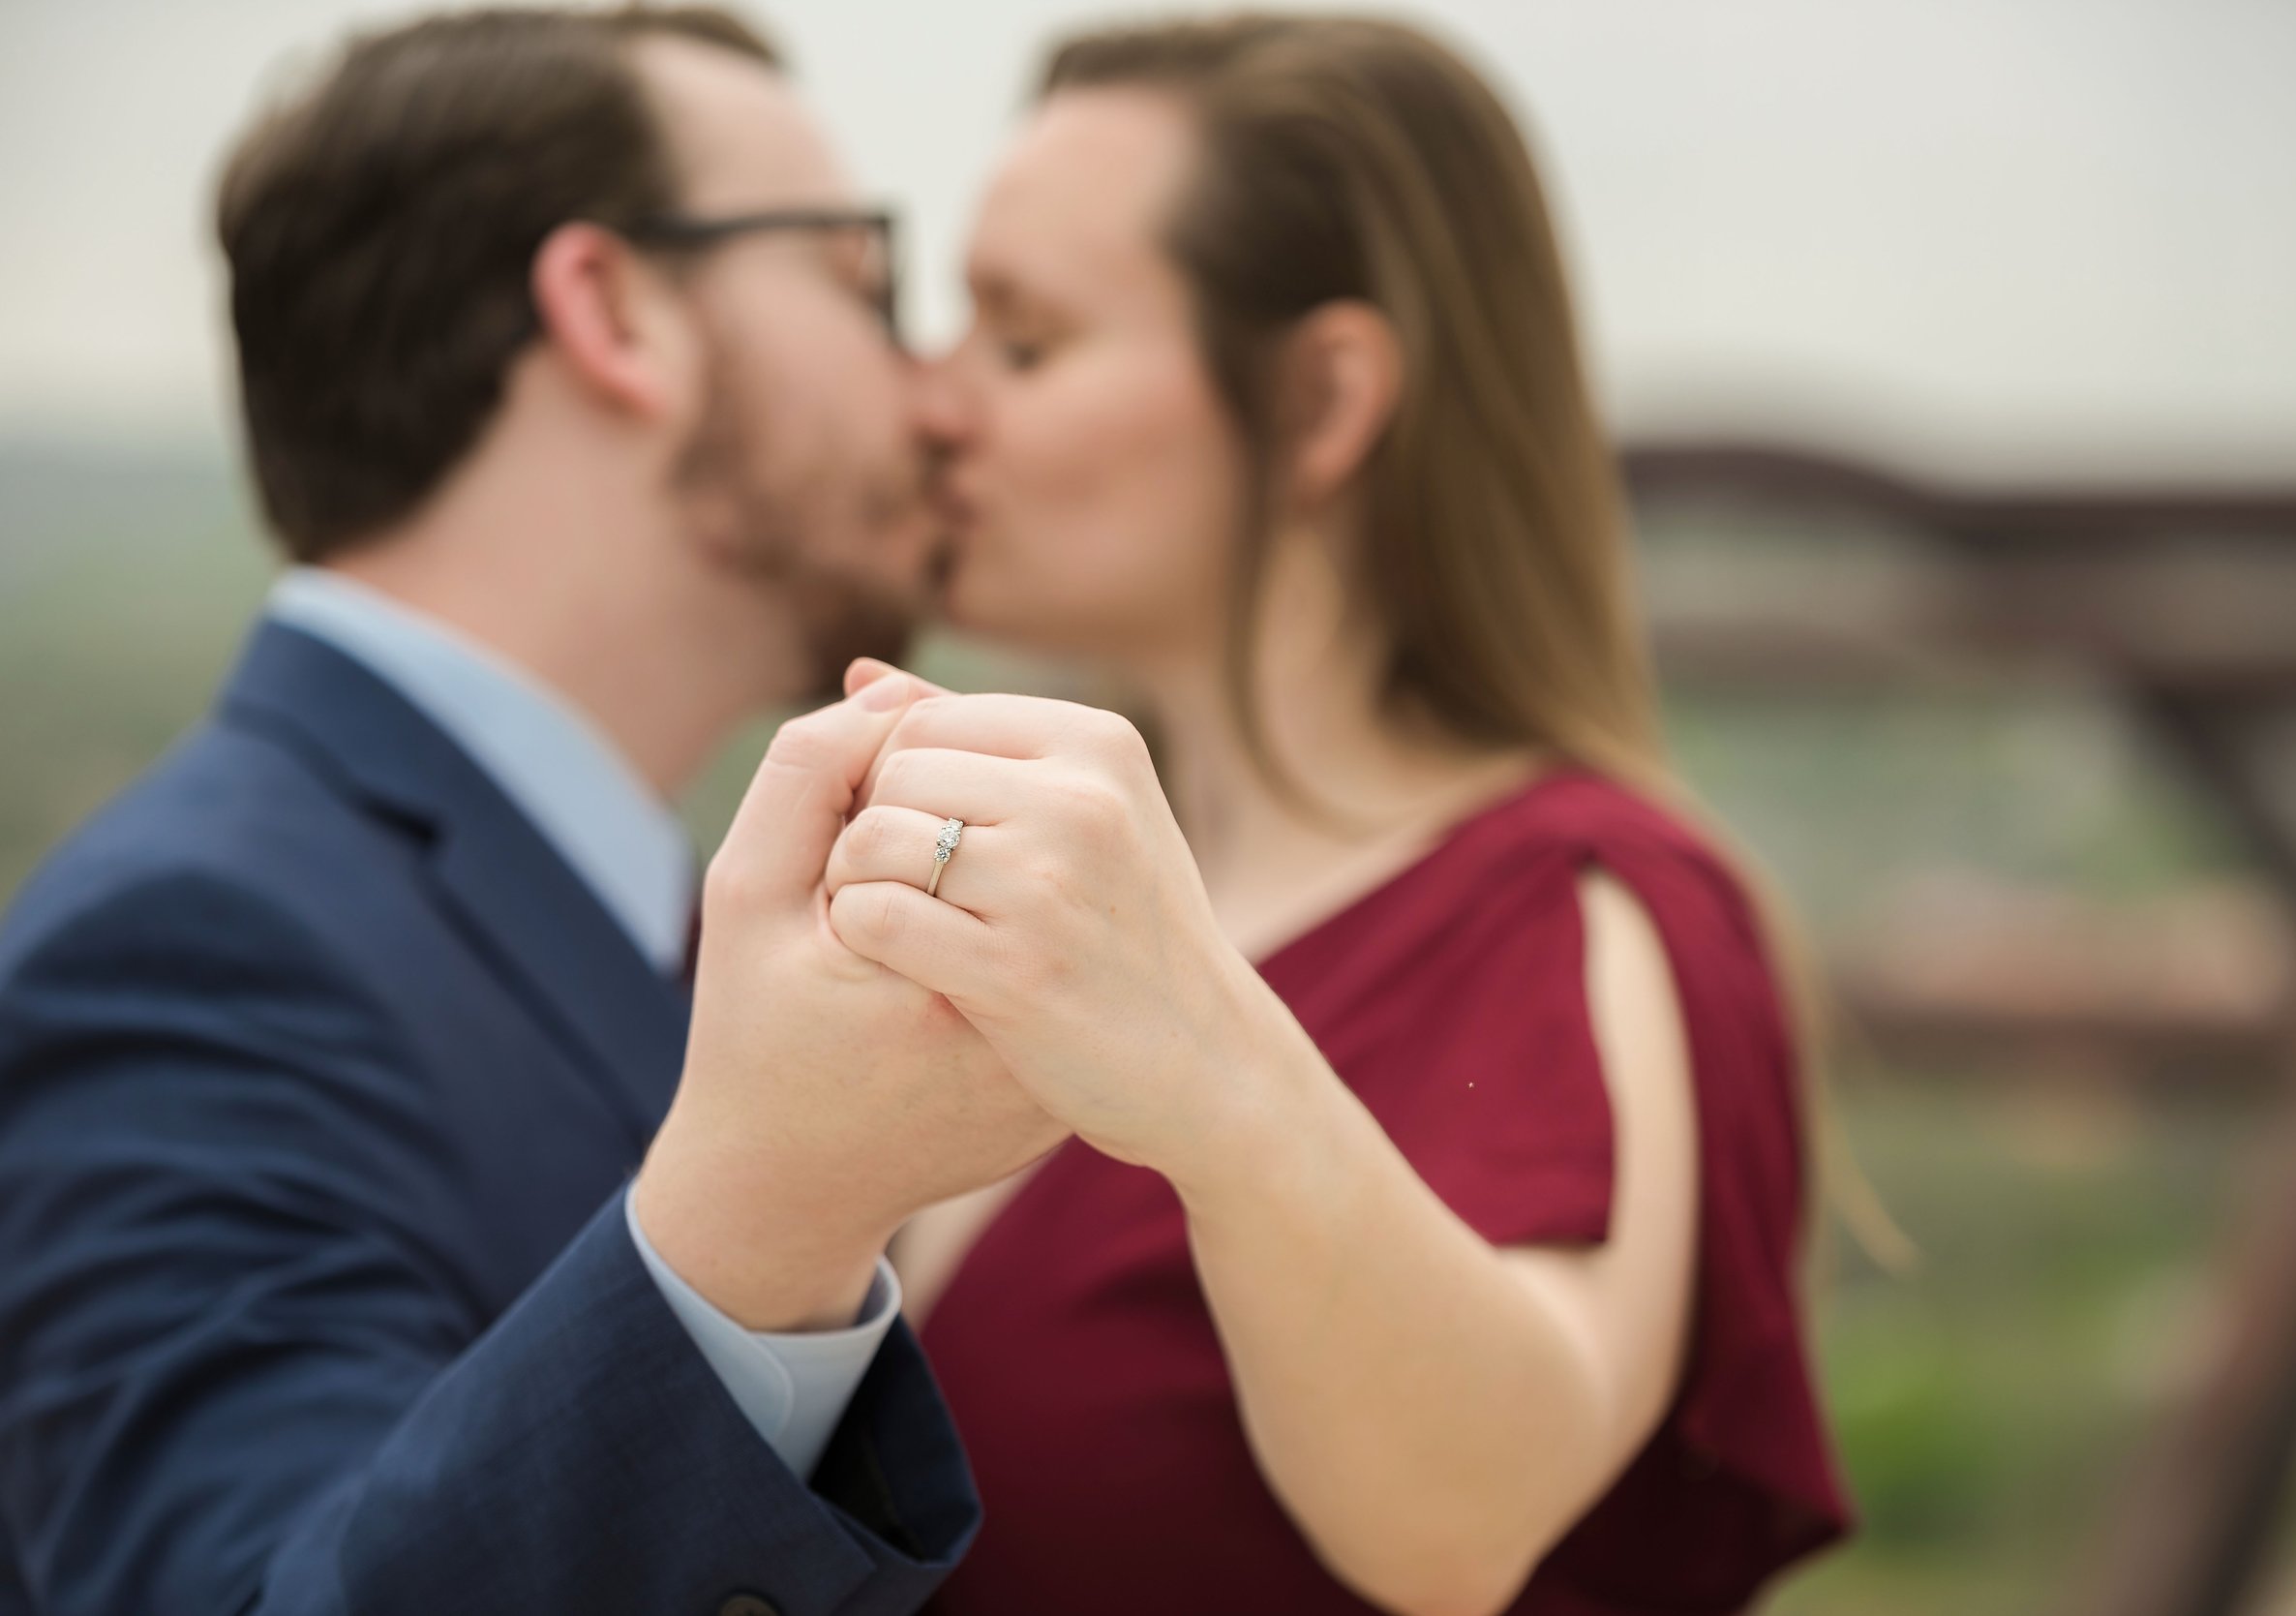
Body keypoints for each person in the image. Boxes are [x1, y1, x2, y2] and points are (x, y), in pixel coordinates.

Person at [0, 9, 1063, 1612]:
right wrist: (771, 1211)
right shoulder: (177, 947)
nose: (936, 399)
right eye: (858, 279)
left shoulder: (646, 901)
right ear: (613, 311)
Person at [810, 15, 1855, 1615]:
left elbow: (1468, 1515)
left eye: (1022, 343)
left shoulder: (1578, 909)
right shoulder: (989, 883)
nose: (935, 406)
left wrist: (1211, 1076)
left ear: (1320, 398)